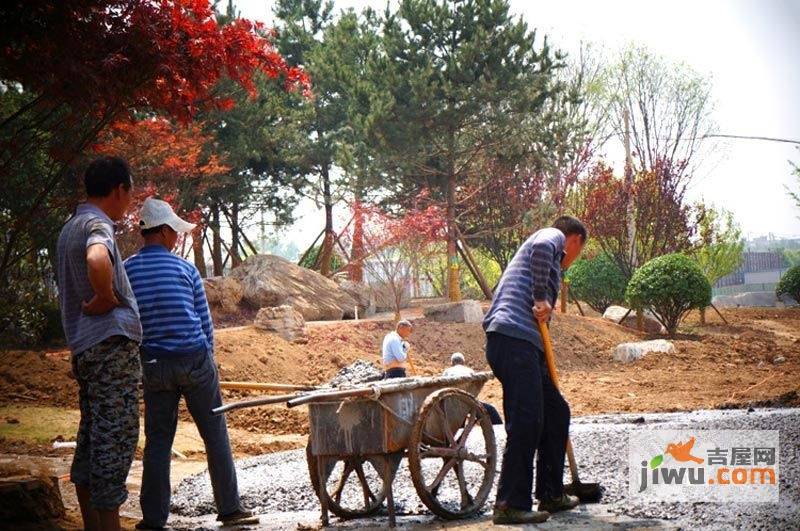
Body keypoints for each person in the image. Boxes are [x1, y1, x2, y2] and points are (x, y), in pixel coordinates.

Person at [124, 198, 254, 530]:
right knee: (215, 435)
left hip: (153, 363)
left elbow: (127, 321)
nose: (178, 237)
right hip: (194, 360)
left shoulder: (126, 270)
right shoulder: (185, 269)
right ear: (165, 231)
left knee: (158, 441)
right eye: (175, 232)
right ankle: (229, 509)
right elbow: (204, 323)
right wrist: (207, 361)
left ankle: (153, 519)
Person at [55, 156, 142, 531]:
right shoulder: (95, 225)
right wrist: (106, 296)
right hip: (110, 349)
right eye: (129, 193)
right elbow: (97, 257)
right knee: (114, 442)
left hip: (87, 349)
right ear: (119, 189)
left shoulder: (69, 227)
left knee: (93, 440)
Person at [483, 215, 587, 525]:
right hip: (512, 339)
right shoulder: (550, 237)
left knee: (556, 411)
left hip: (523, 345)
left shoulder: (548, 262)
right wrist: (542, 297)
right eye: (577, 251)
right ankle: (509, 504)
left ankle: (551, 493)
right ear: (575, 240)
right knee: (527, 420)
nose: (572, 259)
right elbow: (543, 247)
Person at [443, 353, 503, 425]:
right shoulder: (469, 371)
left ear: (452, 363)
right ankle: (499, 428)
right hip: (469, 402)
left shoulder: (446, 372)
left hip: (452, 403)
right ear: (463, 362)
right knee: (491, 410)